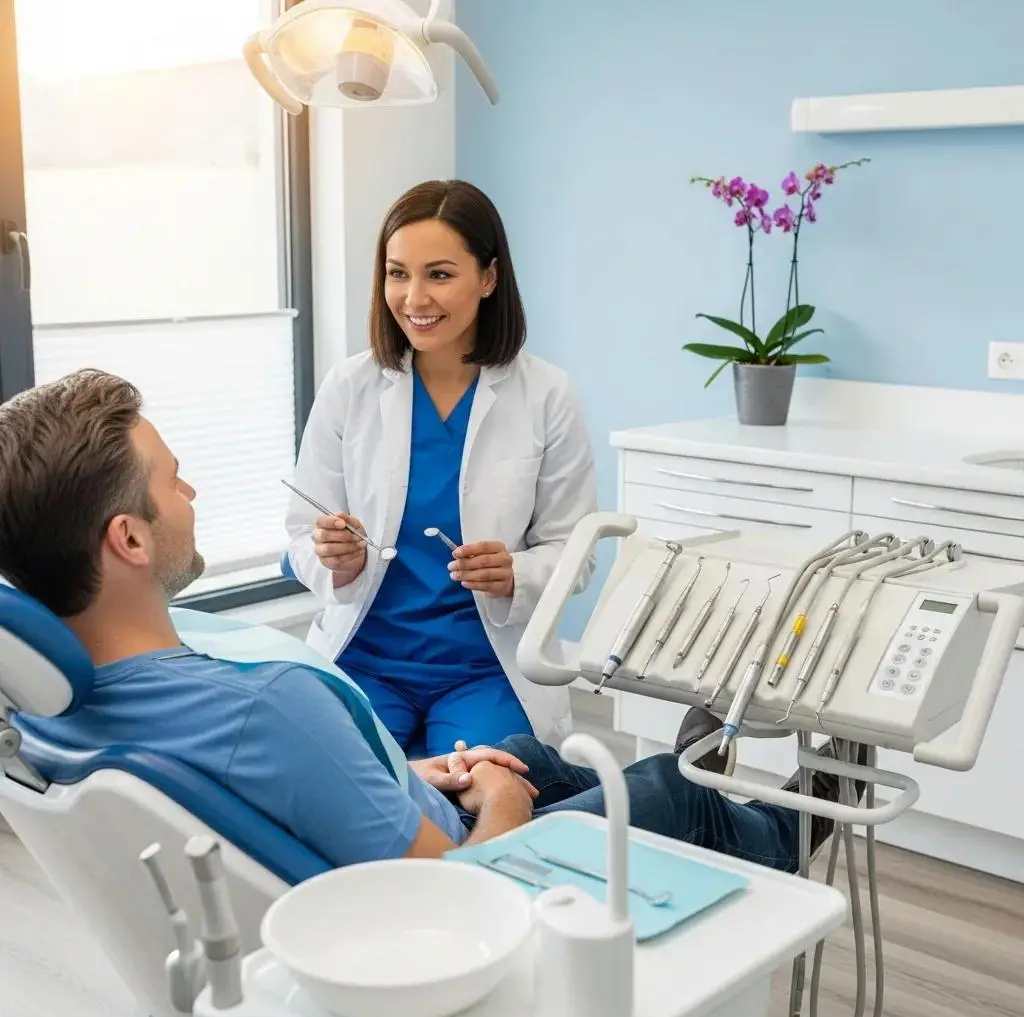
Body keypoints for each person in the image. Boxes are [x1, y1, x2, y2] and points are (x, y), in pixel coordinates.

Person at [0, 370, 859, 874]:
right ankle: (781, 831)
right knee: (667, 790)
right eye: (173, 479)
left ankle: (698, 796)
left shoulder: (55, 710)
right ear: (129, 538)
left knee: (525, 756)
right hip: (459, 886)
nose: (192, 492)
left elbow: (282, 781)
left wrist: (420, 774)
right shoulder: (273, 706)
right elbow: (453, 892)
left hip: (409, 801)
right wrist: (499, 801)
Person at [284, 179, 598, 757]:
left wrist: (515, 572)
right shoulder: (349, 387)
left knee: (481, 784)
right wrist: (334, 556)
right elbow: (303, 535)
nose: (414, 298)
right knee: (336, 779)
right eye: (397, 273)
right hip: (364, 658)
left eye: (439, 274)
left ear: (489, 277)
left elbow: (572, 551)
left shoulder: (547, 394)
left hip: (486, 668)